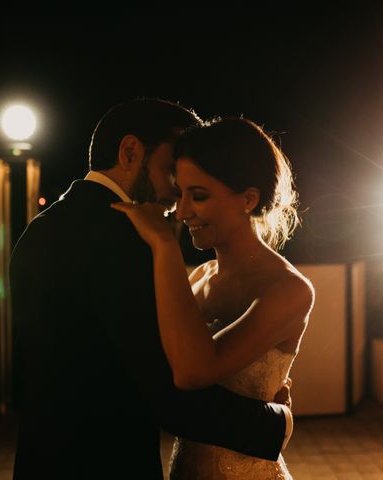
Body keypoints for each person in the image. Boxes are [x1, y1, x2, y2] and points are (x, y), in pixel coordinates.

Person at [9, 100, 293, 479]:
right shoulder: (123, 241)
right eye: (171, 167)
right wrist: (275, 423)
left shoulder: (41, 228)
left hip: (41, 458)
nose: (176, 190)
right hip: (107, 463)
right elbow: (168, 389)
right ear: (130, 152)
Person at [112, 116, 314, 479]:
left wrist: (163, 244)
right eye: (180, 192)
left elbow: (193, 372)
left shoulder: (289, 289)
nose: (181, 210)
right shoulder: (200, 277)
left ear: (248, 200)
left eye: (199, 196)